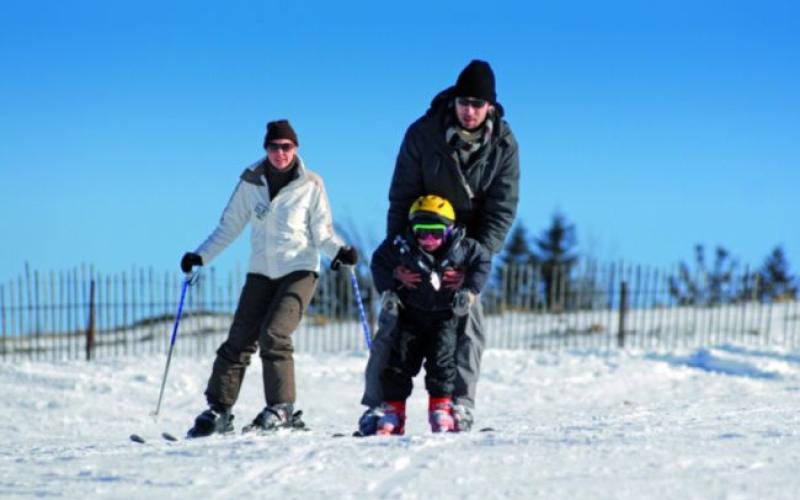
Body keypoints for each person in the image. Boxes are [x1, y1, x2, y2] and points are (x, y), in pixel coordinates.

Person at [359, 59, 520, 434]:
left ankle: (459, 405)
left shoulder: (505, 145)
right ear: (454, 101)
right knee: (394, 320)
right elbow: (401, 198)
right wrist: (401, 255)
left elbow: (502, 207)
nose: (469, 111)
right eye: (464, 102)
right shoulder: (423, 133)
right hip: (419, 233)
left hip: (465, 247)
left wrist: (471, 261)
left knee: (467, 323)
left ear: (490, 107)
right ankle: (379, 406)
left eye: (477, 105)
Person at [180, 119, 358, 437]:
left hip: (299, 270)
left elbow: (323, 232)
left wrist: (340, 252)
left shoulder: (311, 184)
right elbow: (229, 225)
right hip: (261, 272)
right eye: (274, 147)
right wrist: (201, 255)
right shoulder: (251, 181)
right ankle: (218, 410)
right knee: (238, 340)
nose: (280, 153)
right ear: (266, 149)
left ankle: (281, 408)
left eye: (286, 147)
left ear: (296, 149)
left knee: (274, 335)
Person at [370, 195, 490, 435]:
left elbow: (482, 261)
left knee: (442, 364)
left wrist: (469, 288)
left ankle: (441, 410)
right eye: (421, 232)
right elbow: (379, 261)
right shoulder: (401, 246)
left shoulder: (463, 248)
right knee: (398, 364)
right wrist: (388, 289)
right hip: (410, 318)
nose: (428, 239)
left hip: (444, 319)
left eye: (435, 232)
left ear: (449, 230)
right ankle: (393, 413)